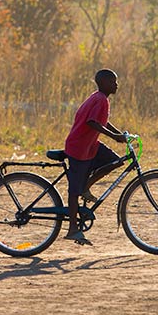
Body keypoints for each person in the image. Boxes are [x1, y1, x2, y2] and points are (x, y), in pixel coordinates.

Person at [63, 69, 127, 246]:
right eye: (113, 82)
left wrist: (119, 134)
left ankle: (86, 186)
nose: (116, 85)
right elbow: (92, 122)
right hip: (79, 147)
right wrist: (114, 137)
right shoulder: (100, 99)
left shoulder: (98, 98)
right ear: (105, 83)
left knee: (115, 161)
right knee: (74, 191)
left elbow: (102, 121)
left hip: (89, 145)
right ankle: (73, 229)